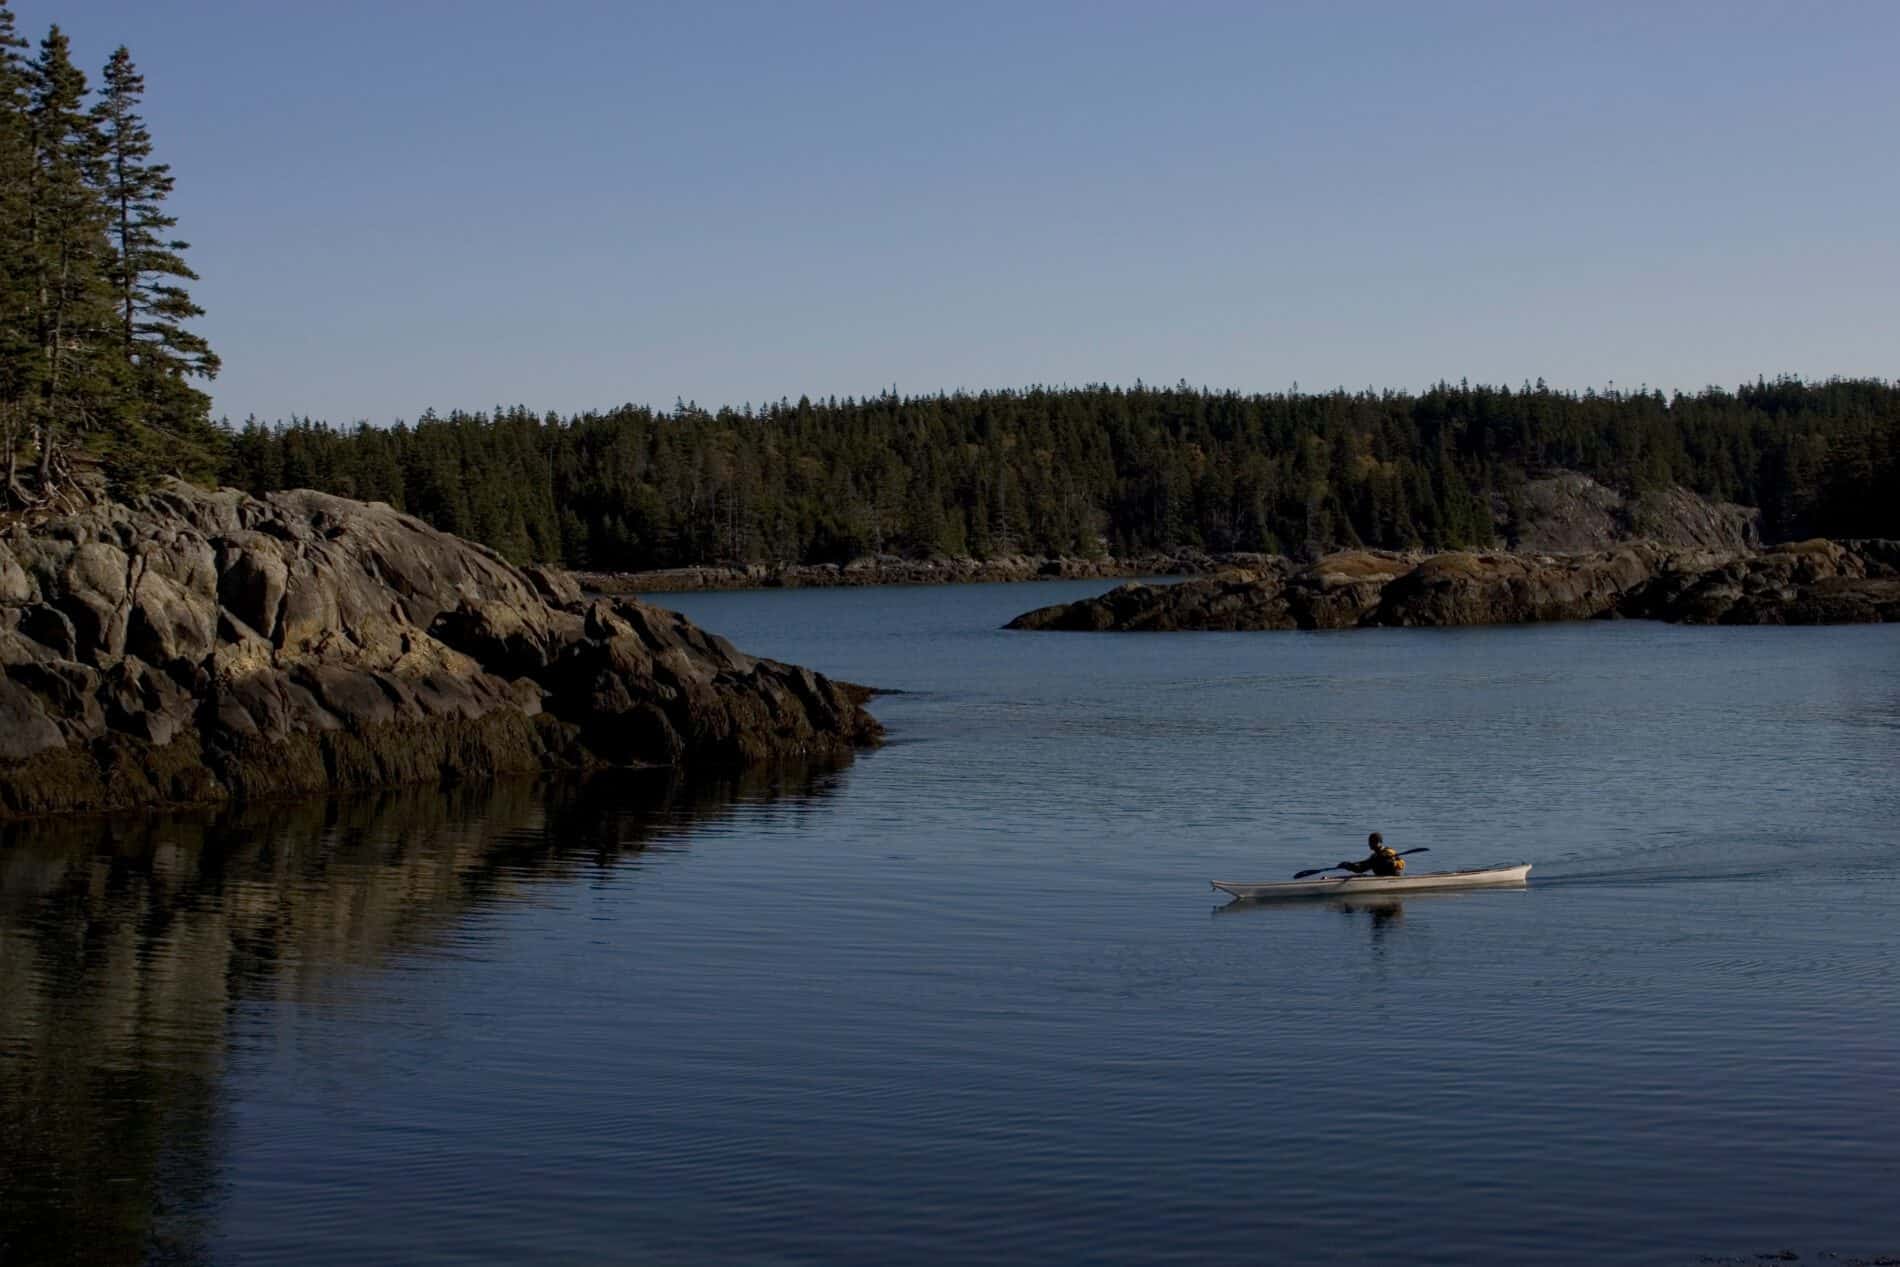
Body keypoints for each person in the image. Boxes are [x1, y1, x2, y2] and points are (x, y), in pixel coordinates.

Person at [1338, 832, 1405, 876]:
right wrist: (1349, 866)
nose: (1371, 844)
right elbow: (1361, 868)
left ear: (1380, 842)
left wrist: (1383, 858)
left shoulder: (1389, 851)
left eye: (1374, 842)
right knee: (1372, 864)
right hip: (1380, 877)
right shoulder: (1373, 856)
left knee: (1384, 862)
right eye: (1370, 842)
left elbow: (1397, 862)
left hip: (1393, 878)